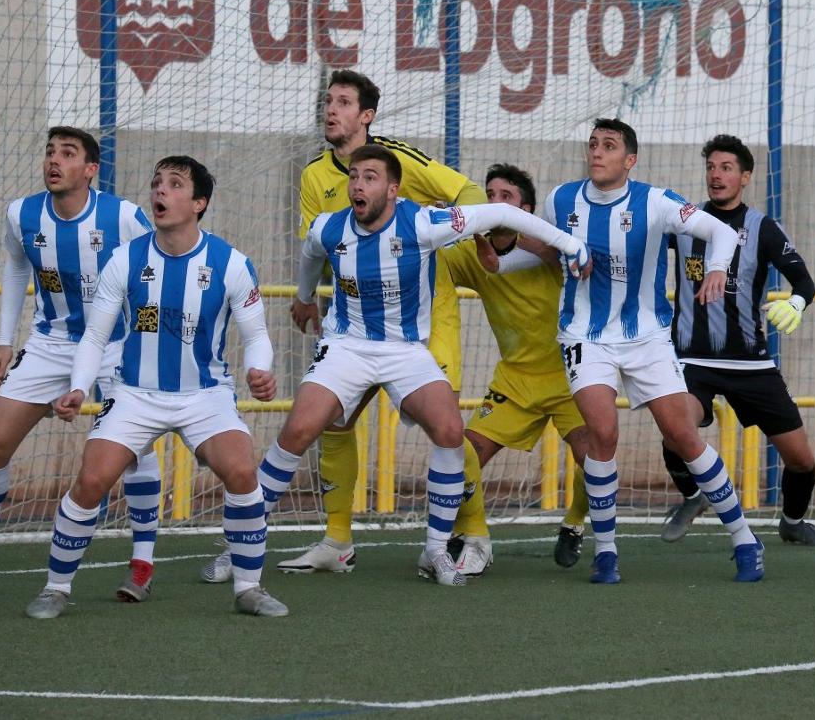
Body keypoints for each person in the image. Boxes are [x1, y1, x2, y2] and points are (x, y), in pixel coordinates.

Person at [245, 145, 587, 587]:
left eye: (369, 177)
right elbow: (311, 252)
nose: (357, 185)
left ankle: (449, 548)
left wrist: (568, 244)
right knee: (301, 430)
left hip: (437, 356)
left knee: (464, 435)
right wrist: (306, 297)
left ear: (392, 188)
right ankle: (248, 545)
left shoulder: (430, 223)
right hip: (352, 348)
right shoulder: (331, 227)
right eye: (353, 176)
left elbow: (514, 228)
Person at [24, 156, 286, 618]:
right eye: (156, 183)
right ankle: (56, 588)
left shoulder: (231, 263)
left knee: (243, 473)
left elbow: (257, 335)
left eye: (174, 184)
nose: (159, 192)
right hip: (134, 395)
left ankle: (248, 588)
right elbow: (96, 336)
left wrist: (259, 370)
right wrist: (80, 387)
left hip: (205, 397)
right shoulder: (125, 259)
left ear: (199, 203)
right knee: (92, 479)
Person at [260, 69, 487, 577]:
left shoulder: (398, 159)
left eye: (342, 102)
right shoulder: (316, 175)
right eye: (328, 101)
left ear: (366, 116)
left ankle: (474, 536)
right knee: (333, 422)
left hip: (424, 320)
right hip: (353, 326)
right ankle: (337, 539)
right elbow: (315, 248)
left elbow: (468, 193)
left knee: (445, 425)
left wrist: (463, 243)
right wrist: (305, 299)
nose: (330, 109)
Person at [0, 127, 160, 602]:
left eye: (68, 154)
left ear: (90, 169)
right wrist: (2, 340)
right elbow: (17, 268)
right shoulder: (23, 213)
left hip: (118, 346)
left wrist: (146, 338)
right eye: (50, 152)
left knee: (136, 450)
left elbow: (155, 271)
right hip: (49, 343)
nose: (54, 161)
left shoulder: (122, 216)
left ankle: (141, 564)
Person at [540, 118, 764, 584]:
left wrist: (719, 268)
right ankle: (606, 553)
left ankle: (745, 538)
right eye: (593, 145)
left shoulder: (656, 201)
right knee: (602, 433)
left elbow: (722, 233)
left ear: (630, 160)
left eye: (609, 146)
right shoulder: (561, 200)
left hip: (647, 337)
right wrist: (499, 259)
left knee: (683, 436)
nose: (597, 152)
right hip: (585, 335)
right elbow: (547, 250)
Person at [656, 134, 815, 549]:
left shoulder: (763, 228)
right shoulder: (684, 222)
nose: (716, 176)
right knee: (675, 427)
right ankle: (693, 496)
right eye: (711, 168)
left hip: (750, 363)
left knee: (801, 459)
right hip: (690, 360)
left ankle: (793, 522)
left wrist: (796, 304)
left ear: (746, 177)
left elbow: (805, 283)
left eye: (726, 168)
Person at [440, 163, 593, 576]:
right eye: (488, 195)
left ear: (525, 209)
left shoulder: (550, 248)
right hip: (514, 380)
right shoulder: (472, 253)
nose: (494, 203)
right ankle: (467, 533)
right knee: (461, 454)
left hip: (569, 377)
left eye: (505, 197)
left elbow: (558, 249)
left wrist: (531, 238)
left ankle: (575, 522)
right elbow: (432, 265)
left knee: (594, 461)